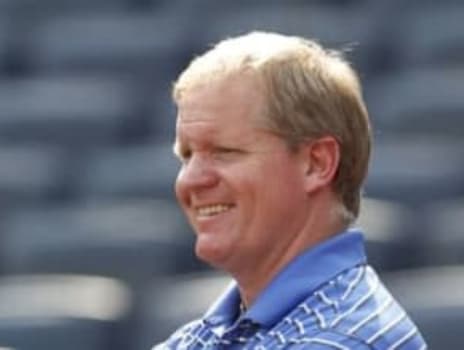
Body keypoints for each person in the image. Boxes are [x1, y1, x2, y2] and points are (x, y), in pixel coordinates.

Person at [154, 32, 427, 349]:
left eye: (224, 152)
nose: (191, 181)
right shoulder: (195, 339)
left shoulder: (338, 341)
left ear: (316, 163)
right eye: (186, 155)